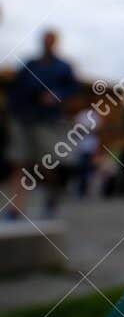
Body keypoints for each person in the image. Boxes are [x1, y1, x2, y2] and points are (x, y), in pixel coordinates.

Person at [5, 29, 79, 219]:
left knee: (47, 164)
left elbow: (72, 89)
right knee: (18, 162)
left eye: (50, 40)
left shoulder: (63, 67)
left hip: (46, 121)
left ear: (55, 42)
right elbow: (15, 87)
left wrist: (56, 96)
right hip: (22, 118)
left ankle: (51, 197)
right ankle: (16, 208)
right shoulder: (30, 64)